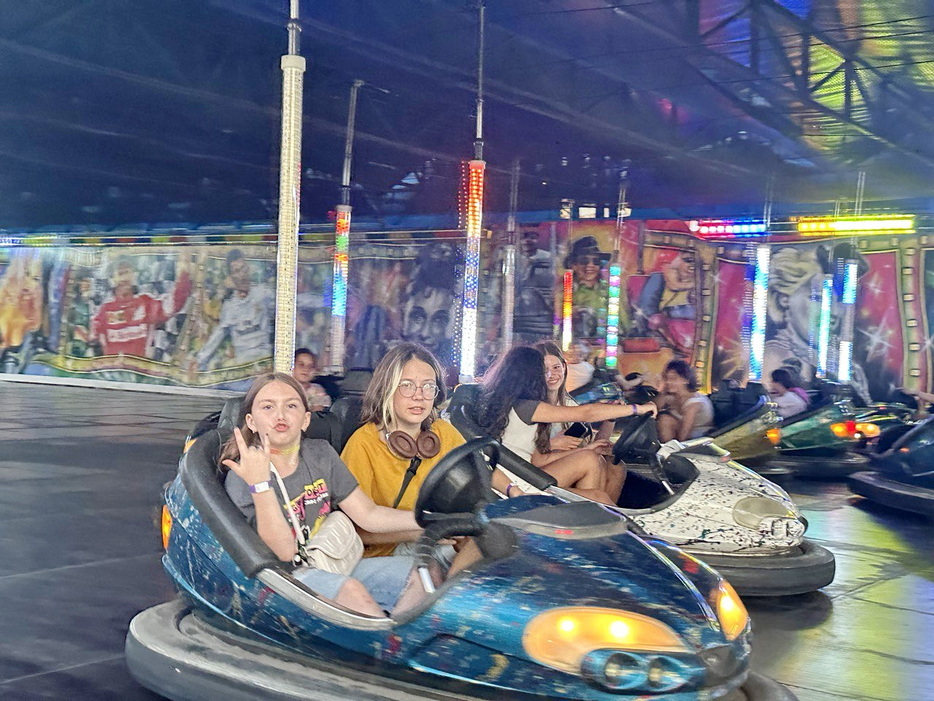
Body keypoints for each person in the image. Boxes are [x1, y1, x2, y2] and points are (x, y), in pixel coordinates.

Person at [222, 373, 425, 617]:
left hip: (328, 560)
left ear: (306, 419)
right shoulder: (243, 475)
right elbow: (284, 554)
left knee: (423, 571)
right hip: (283, 579)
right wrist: (260, 485)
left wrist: (428, 521)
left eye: (291, 406)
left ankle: (399, 634)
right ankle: (383, 640)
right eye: (268, 407)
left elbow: (368, 514)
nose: (280, 415)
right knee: (351, 591)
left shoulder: (320, 454)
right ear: (251, 421)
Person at [342, 343, 495, 566]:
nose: (419, 396)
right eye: (407, 385)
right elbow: (357, 531)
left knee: (494, 548)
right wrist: (427, 532)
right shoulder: (363, 444)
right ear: (387, 389)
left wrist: (514, 493)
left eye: (428, 386)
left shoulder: (443, 432)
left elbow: (479, 473)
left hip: (441, 540)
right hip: (387, 552)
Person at [476, 345, 657, 504]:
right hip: (519, 483)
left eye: (555, 368)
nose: (547, 375)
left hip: (526, 474)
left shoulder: (518, 405)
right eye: (542, 371)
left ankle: (595, 516)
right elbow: (587, 413)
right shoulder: (527, 407)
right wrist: (637, 408)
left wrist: (590, 446)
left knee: (600, 467)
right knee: (590, 468)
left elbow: (538, 459)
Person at [91, 253, 191, 357]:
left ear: (134, 275)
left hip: (141, 365)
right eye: (120, 273)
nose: (124, 277)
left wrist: (184, 272)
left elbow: (174, 304)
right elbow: (93, 341)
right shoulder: (105, 310)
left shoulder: (146, 303)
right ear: (112, 279)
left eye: (127, 272)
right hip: (113, 366)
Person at [196, 249, 274, 370]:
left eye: (243, 268)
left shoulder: (264, 293)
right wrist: (199, 361)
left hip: (265, 361)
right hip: (243, 367)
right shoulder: (229, 307)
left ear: (248, 268)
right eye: (236, 271)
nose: (242, 275)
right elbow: (217, 337)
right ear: (231, 276)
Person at [534, 340, 614, 448]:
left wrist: (611, 419)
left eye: (556, 367)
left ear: (564, 367)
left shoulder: (569, 403)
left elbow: (591, 445)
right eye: (544, 370)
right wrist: (552, 444)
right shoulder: (528, 406)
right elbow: (519, 450)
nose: (551, 375)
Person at [655, 360, 715, 442]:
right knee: (664, 419)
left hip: (698, 438)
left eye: (673, 379)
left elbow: (684, 436)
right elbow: (653, 409)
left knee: (665, 420)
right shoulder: (671, 397)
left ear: (686, 380)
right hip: (680, 434)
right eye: (666, 378)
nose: (668, 382)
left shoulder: (694, 403)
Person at [564, 236, 610, 338]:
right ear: (573, 265)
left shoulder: (610, 289)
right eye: (584, 261)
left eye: (596, 261)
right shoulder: (564, 288)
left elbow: (623, 324)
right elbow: (555, 320)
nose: (590, 265)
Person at [292, 348, 332, 412]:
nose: (306, 369)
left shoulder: (317, 390)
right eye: (301, 365)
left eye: (311, 366)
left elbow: (317, 413)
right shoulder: (284, 387)